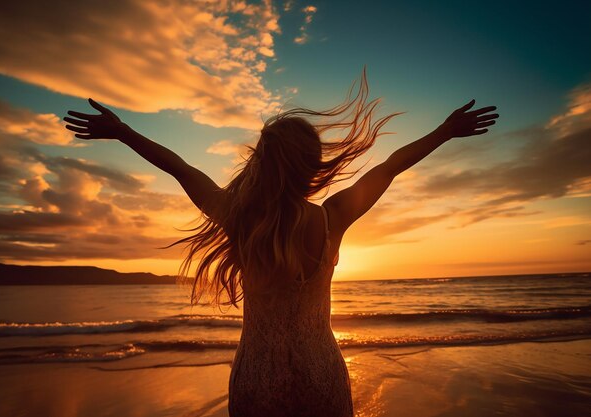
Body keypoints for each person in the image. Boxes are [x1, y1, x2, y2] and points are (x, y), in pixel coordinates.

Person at [64, 73, 498, 417]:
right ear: (312, 164)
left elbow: (180, 167)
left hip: (258, 380)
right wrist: (444, 131)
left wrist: (123, 132)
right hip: (321, 376)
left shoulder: (239, 215)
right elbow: (388, 168)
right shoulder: (333, 217)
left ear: (264, 160)